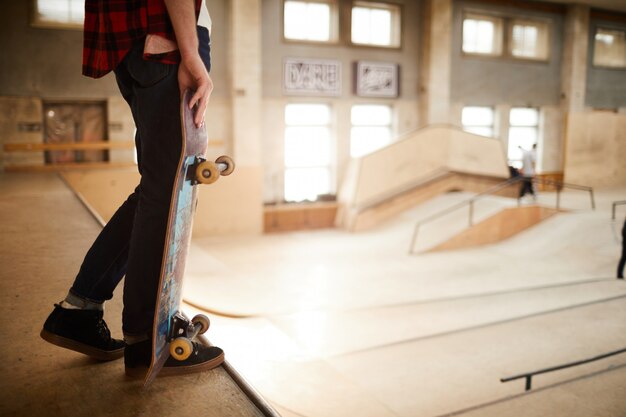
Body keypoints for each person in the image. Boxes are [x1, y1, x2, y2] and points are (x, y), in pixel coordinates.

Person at [40, 0, 224, 378]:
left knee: (157, 187)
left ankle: (80, 310)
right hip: (168, 37)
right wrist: (190, 53)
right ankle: (147, 341)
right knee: (168, 190)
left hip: (136, 41)